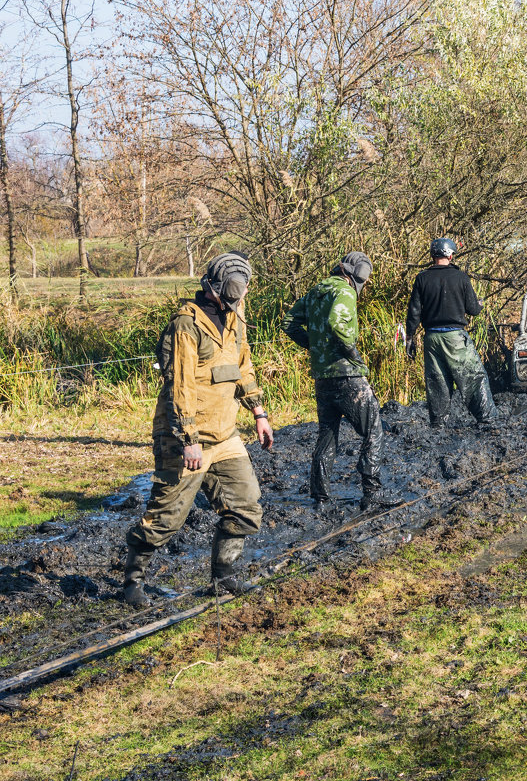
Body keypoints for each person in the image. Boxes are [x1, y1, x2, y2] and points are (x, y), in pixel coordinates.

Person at [122, 252, 274, 608]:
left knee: (246, 507)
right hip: (186, 438)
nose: (237, 303)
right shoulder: (186, 325)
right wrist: (188, 441)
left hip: (225, 435)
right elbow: (180, 387)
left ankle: (223, 577)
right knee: (166, 520)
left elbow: (243, 366)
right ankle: (132, 581)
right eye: (231, 296)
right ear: (213, 287)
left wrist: (258, 411)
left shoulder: (236, 319)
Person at [284, 252, 395, 515]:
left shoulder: (316, 292)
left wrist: (314, 346)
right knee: (373, 430)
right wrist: (351, 353)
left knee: (327, 435)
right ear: (356, 276)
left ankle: (321, 498)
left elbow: (289, 322)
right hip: (347, 376)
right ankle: (372, 492)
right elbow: (337, 322)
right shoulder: (344, 292)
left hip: (323, 378)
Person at [405, 238, 499, 429]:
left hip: (431, 338)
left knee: (437, 382)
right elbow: (473, 309)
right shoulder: (461, 278)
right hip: (455, 337)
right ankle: (487, 419)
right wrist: (479, 304)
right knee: (473, 377)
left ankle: (438, 424)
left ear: (433, 255)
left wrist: (410, 337)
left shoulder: (422, 278)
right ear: (450, 255)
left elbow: (414, 311)